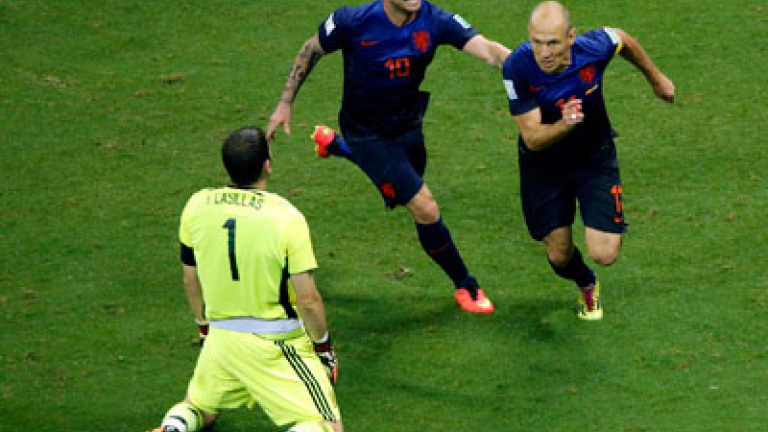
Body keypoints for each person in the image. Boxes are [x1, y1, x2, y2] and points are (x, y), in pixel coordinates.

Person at [267, 0, 511, 314]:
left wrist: (529, 66)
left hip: (407, 125)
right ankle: (466, 284)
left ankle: (337, 146)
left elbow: (489, 50)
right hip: (366, 133)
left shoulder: (434, 19)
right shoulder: (353, 20)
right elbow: (311, 48)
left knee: (402, 188)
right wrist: (285, 103)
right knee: (424, 207)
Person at [145, 127, 343, 432]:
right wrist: (323, 347)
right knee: (327, 425)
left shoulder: (197, 205)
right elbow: (308, 299)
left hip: (222, 338)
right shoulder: (286, 217)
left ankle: (172, 428)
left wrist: (204, 328)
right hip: (277, 343)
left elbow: (190, 278)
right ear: (267, 164)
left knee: (199, 407)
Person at [502, 1, 675, 320]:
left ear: (571, 37)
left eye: (553, 43)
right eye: (537, 42)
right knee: (559, 256)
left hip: (594, 157)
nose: (544, 52)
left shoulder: (592, 49)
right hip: (544, 167)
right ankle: (585, 281)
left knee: (605, 253)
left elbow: (622, 39)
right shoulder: (517, 67)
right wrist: (565, 124)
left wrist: (656, 78)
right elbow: (533, 138)